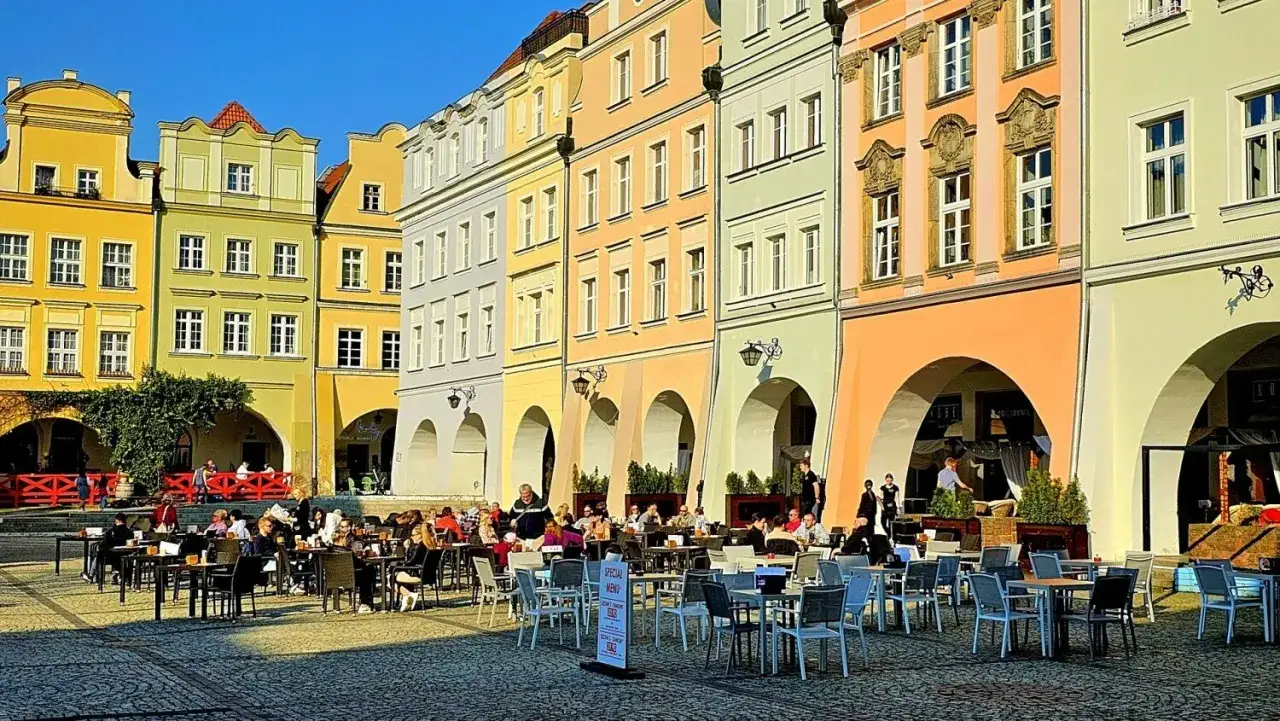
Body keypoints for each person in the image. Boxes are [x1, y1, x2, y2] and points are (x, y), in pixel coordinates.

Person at [330, 518, 376, 613]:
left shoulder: (329, 551)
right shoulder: (347, 552)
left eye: (345, 527)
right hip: (349, 578)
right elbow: (358, 564)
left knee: (366, 571)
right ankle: (365, 603)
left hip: (333, 578)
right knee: (368, 571)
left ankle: (336, 607)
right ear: (340, 539)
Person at [394, 524, 432, 611]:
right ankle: (407, 599)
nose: (411, 537)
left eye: (413, 535)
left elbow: (411, 562)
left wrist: (407, 550)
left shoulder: (420, 547)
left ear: (420, 535)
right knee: (395, 575)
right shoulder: (428, 545)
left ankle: (408, 594)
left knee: (389, 577)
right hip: (428, 576)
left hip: (418, 575)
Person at [509, 484, 551, 548]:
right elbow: (511, 517)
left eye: (528, 496)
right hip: (521, 538)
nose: (525, 499)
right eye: (523, 497)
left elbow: (550, 518)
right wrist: (511, 522)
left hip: (538, 538)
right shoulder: (517, 504)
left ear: (531, 492)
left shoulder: (540, 503)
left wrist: (546, 532)